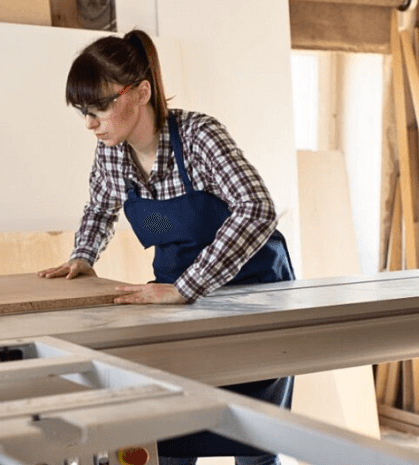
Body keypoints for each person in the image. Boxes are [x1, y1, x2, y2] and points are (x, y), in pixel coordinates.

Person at [38, 29, 295, 465]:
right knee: (172, 430)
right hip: (178, 296)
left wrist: (186, 287)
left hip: (251, 295)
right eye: (83, 112)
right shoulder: (112, 153)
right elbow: (100, 207)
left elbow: (257, 208)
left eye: (99, 108)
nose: (90, 124)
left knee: (254, 433)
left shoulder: (199, 137)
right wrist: (83, 256)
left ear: (141, 93)